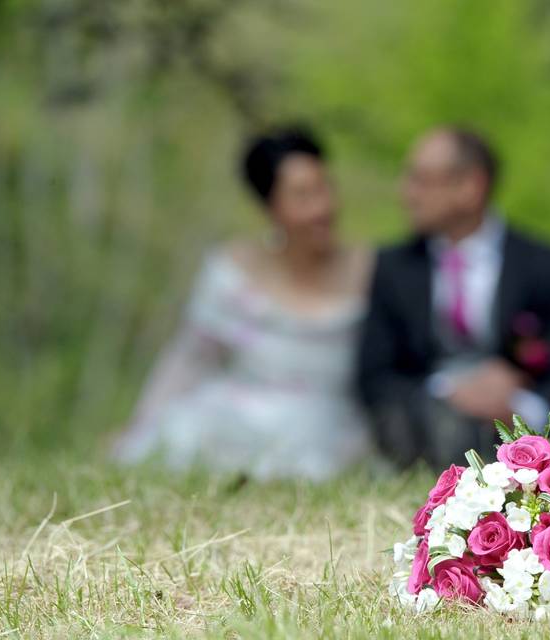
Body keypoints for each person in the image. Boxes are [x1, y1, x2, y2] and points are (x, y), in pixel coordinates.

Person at [113, 126, 374, 480]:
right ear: (270, 206)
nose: (322, 207)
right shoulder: (234, 270)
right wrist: (141, 425)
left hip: (330, 423)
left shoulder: (371, 269)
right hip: (239, 417)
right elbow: (191, 357)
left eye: (324, 188)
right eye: (302, 196)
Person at [357, 127, 550, 468]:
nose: (406, 193)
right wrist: (449, 390)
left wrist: (517, 407)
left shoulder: (548, 266)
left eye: (421, 180)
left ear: (470, 187)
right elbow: (375, 378)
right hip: (423, 448)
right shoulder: (394, 268)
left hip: (528, 459)